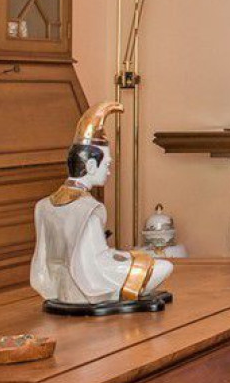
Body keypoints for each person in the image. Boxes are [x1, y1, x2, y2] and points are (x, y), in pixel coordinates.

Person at [30, 102, 173, 312]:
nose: (108, 171)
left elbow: (45, 259)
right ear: (90, 166)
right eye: (107, 165)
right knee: (163, 266)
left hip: (58, 287)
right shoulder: (89, 208)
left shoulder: (42, 206)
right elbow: (96, 265)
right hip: (87, 287)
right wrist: (129, 258)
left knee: (141, 258)